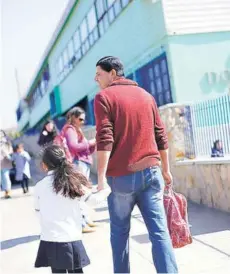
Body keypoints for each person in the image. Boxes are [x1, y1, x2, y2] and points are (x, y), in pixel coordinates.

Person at [94, 56, 178, 273]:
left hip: (121, 178)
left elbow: (105, 139)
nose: (96, 79)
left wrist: (101, 178)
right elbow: (161, 136)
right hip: (152, 173)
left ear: (113, 73)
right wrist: (166, 170)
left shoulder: (104, 97)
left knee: (120, 235)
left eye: (99, 74)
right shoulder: (146, 96)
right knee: (159, 232)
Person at [34, 145, 110, 273]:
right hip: (71, 238)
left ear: (45, 165)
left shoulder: (39, 186)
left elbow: (38, 212)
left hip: (51, 239)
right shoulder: (72, 182)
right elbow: (92, 201)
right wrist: (107, 189)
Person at [64, 107, 97, 233]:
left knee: (84, 193)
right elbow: (74, 147)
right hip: (78, 163)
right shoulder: (70, 130)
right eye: (80, 119)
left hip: (84, 162)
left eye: (84, 119)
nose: (83, 122)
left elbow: (85, 150)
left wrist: (92, 145)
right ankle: (81, 223)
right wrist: (89, 142)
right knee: (80, 194)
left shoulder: (77, 130)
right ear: (73, 118)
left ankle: (86, 220)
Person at [0, 130, 13, 198]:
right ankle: (5, 190)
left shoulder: (7, 142)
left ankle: (8, 191)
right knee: (2, 179)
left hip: (5, 162)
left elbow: (11, 151)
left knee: (6, 177)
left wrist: (7, 153)